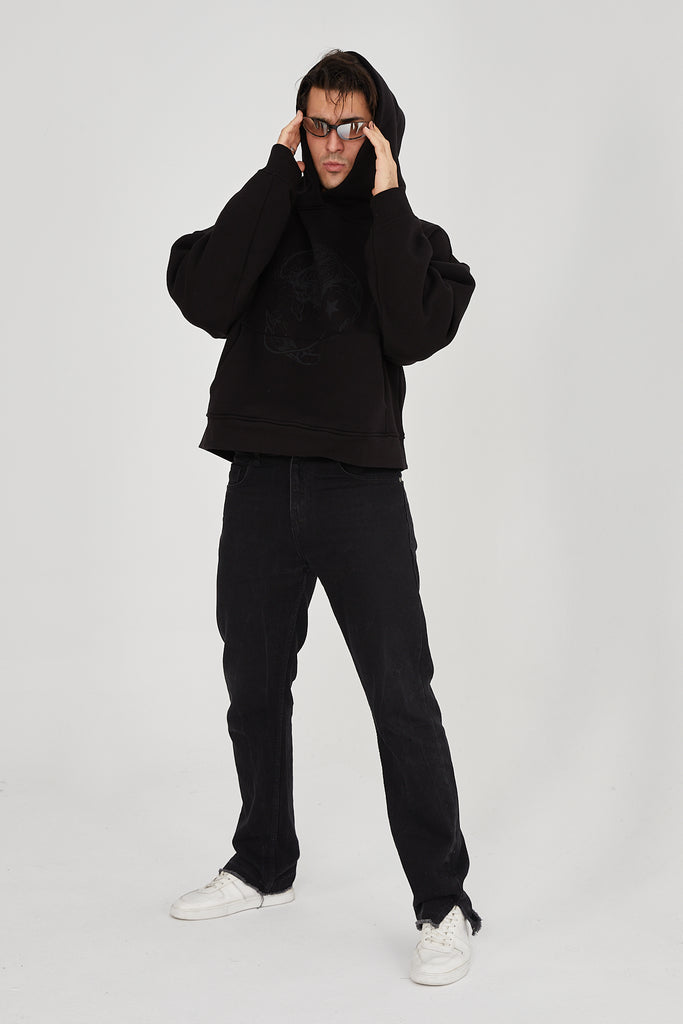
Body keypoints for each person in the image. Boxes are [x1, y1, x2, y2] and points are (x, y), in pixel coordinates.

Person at [165, 49, 481, 986]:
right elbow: (205, 297)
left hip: (358, 491)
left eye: (352, 127)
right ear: (296, 126)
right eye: (318, 125)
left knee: (400, 694)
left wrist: (389, 195)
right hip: (260, 481)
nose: (333, 144)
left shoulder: (407, 234)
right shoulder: (269, 213)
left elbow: (413, 330)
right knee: (254, 686)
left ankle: (442, 902)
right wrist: (275, 173)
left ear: (378, 132)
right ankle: (263, 863)